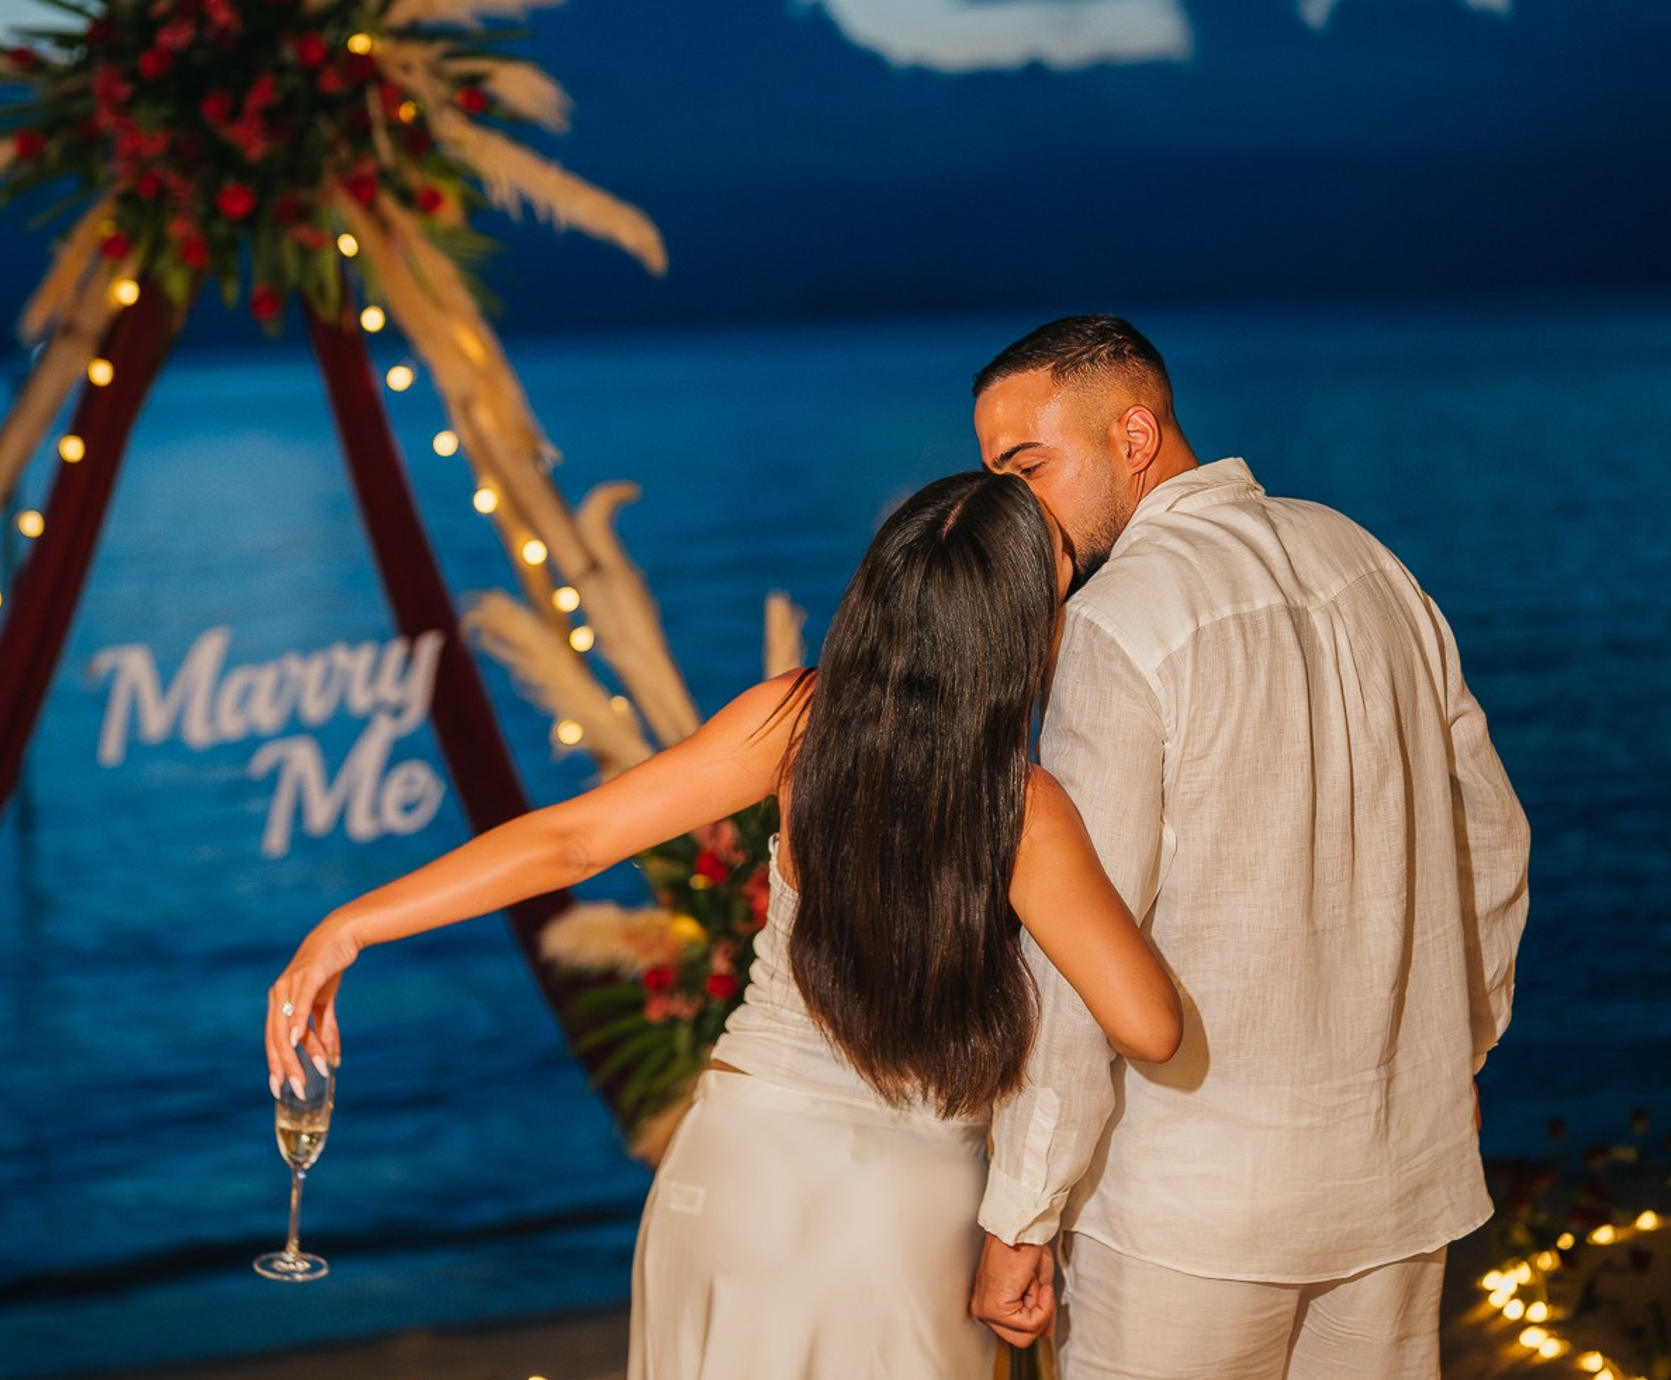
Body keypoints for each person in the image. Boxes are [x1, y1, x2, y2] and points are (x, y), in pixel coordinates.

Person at [266, 470, 1181, 1378]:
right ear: (1022, 625)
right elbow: (1148, 1024)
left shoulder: (794, 722)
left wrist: (350, 926)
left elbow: (573, 841)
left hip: (733, 1167)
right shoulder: (1025, 811)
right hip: (902, 1209)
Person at [966, 314, 1532, 1379]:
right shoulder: (1365, 558)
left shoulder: (1118, 619)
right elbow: (1491, 839)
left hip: (1195, 1208)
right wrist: (1458, 1048)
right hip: (1395, 1177)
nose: (1008, 505)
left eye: (1026, 465)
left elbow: (1080, 947)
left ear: (1134, 437)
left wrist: (1021, 1210)